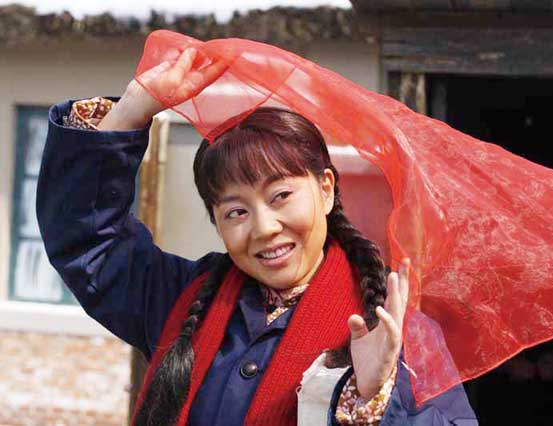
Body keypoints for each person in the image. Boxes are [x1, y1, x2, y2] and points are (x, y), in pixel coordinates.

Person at [37, 48, 477, 425]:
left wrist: (375, 397)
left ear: (326, 189)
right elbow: (88, 239)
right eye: (236, 212)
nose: (264, 228)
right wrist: (131, 110)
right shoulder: (182, 299)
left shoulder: (394, 328)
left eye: (281, 196)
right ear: (216, 223)